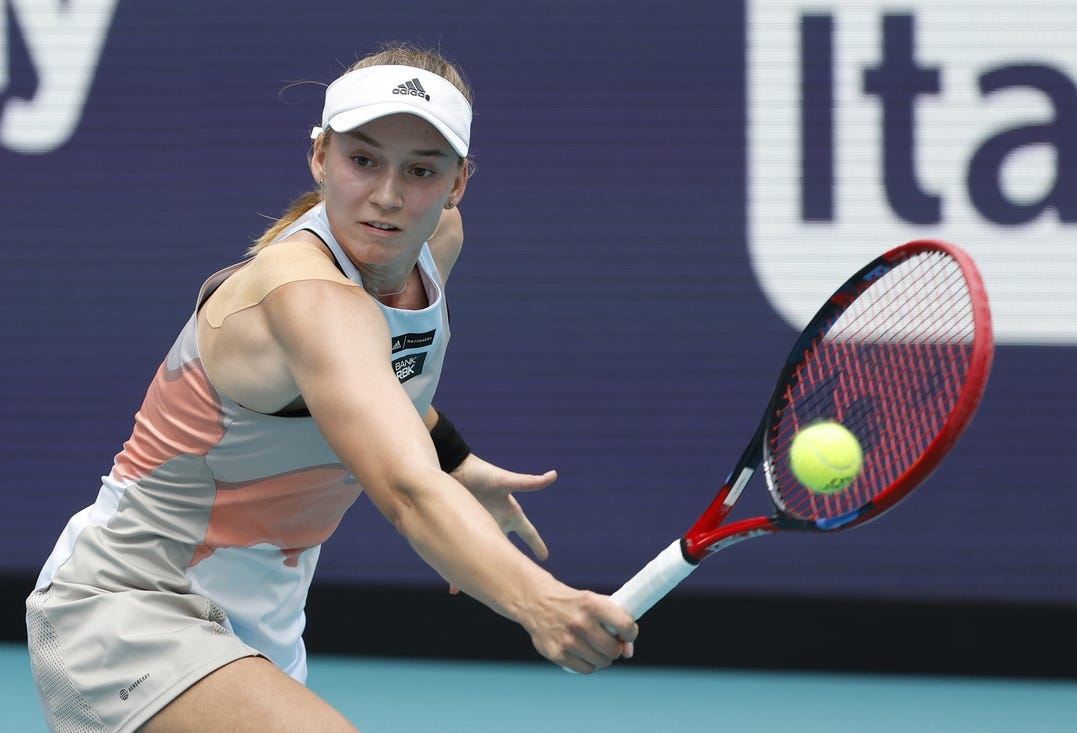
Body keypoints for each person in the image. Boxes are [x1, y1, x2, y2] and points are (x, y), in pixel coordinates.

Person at [25, 42, 638, 733]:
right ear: (320, 156)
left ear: (458, 183)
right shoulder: (307, 298)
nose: (387, 195)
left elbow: (378, 384)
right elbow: (405, 490)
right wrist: (540, 601)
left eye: (421, 170)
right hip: (131, 606)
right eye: (363, 160)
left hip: (255, 632)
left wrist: (456, 459)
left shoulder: (434, 244)